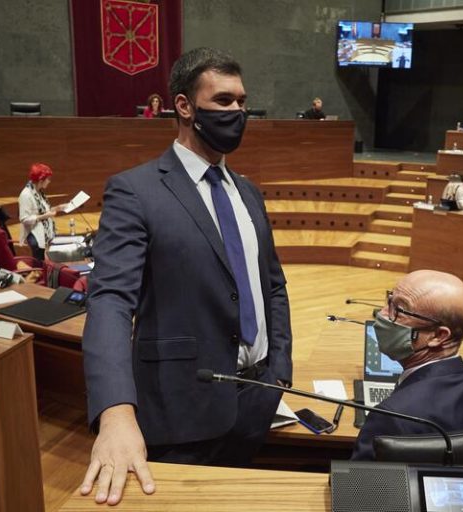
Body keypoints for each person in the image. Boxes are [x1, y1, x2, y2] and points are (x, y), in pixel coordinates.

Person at [79, 47, 293, 506]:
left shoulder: (249, 193)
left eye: (242, 101)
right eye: (223, 100)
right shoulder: (135, 190)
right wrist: (115, 413)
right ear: (184, 106)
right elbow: (110, 300)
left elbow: (273, 286)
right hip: (180, 411)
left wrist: (279, 370)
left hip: (257, 401)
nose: (238, 112)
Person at [351, 270, 463, 461]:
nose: (382, 314)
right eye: (389, 301)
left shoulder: (390, 416)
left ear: (438, 336)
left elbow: (358, 479)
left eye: (398, 310)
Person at [18, 162, 63, 261]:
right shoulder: (26, 195)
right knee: (40, 266)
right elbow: (24, 219)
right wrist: (45, 216)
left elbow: (42, 211)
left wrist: (57, 208)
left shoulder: (38, 192)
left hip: (42, 232)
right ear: (41, 180)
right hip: (34, 235)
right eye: (48, 179)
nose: (49, 181)